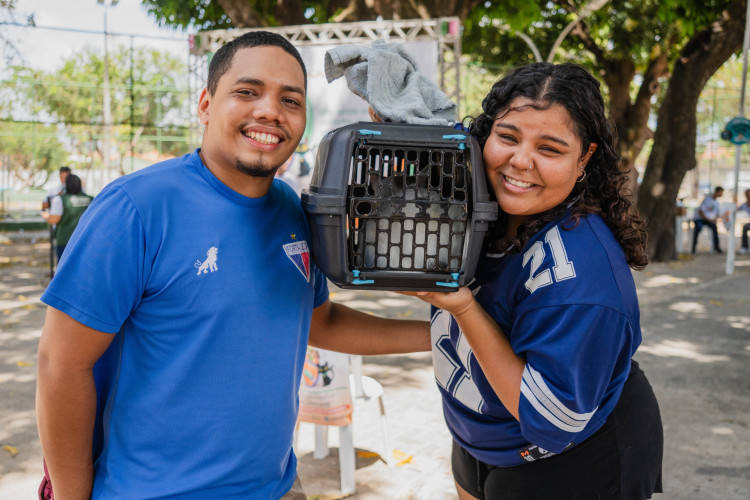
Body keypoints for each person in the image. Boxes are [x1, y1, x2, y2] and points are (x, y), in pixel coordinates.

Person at [36, 31, 429, 500]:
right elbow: (60, 366)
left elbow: (318, 320)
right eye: (247, 92)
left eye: (290, 100)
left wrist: (440, 337)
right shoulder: (136, 208)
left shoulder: (294, 212)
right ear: (205, 104)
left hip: (279, 487)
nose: (269, 110)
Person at [404, 63, 663, 499]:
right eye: (507, 137)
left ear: (584, 159)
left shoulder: (580, 279)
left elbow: (551, 422)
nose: (520, 160)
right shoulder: (480, 203)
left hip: (574, 461)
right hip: (483, 440)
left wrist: (463, 307)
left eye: (550, 148)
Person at [40, 174, 93, 261]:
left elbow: (54, 219)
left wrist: (46, 217)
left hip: (65, 239)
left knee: (64, 267)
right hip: (84, 239)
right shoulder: (90, 199)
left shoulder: (60, 199)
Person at [691, 186, 724, 254]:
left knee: (714, 228)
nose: (722, 194)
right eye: (721, 192)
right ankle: (693, 247)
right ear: (717, 192)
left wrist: (715, 219)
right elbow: (701, 212)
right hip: (700, 219)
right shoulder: (707, 200)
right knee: (698, 228)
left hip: (709, 220)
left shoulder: (717, 203)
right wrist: (709, 220)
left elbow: (716, 214)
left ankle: (716, 247)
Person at [738, 189, 750, 254]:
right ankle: (745, 247)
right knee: (745, 227)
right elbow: (737, 209)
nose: (748, 196)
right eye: (747, 194)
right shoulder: (744, 205)